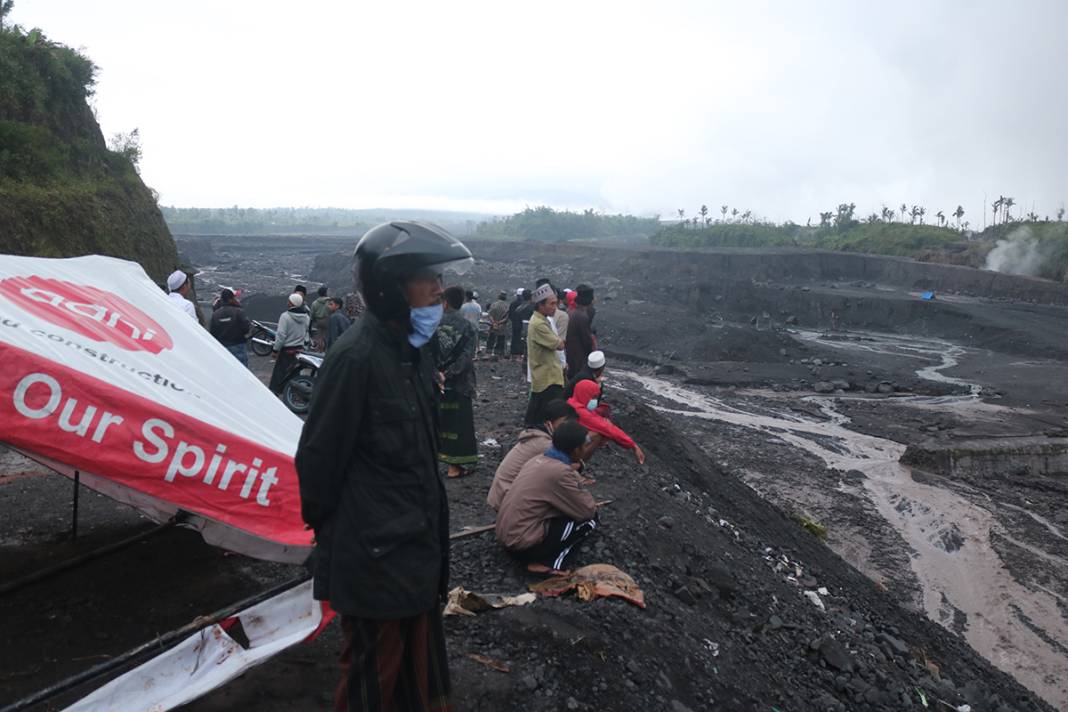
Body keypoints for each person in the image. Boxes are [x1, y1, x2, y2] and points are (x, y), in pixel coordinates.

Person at [295, 221, 471, 712]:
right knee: (373, 684)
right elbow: (317, 461)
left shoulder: (413, 352)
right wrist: (341, 534)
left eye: (439, 279)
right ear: (391, 289)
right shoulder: (355, 359)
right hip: (374, 558)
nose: (439, 289)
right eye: (427, 280)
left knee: (417, 681)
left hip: (415, 552)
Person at [495, 420, 598, 574]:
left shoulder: (537, 460)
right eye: (584, 447)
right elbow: (587, 509)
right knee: (589, 521)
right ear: (576, 450)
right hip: (522, 546)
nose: (585, 451)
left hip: (506, 539)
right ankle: (550, 563)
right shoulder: (560, 472)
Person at [487, 399, 576, 511]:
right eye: (563, 424)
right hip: (506, 498)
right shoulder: (544, 444)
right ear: (549, 423)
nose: (566, 429)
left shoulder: (537, 435)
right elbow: (563, 470)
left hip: (501, 493)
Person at [433, 286, 478, 478]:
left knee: (437, 422)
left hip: (436, 383)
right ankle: (455, 467)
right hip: (460, 384)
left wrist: (438, 374)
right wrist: (450, 373)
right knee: (460, 425)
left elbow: (427, 353)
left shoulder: (433, 324)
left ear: (445, 302)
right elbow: (466, 358)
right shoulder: (467, 327)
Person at [568, 379, 646, 464]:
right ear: (584, 394)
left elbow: (599, 420)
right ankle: (576, 465)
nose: (595, 401)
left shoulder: (573, 403)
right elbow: (606, 427)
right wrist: (633, 445)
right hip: (566, 444)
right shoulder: (580, 411)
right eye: (593, 397)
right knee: (597, 435)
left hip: (565, 439)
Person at [525, 283, 566, 426]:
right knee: (550, 415)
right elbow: (560, 345)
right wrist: (560, 340)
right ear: (540, 305)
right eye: (552, 304)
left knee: (537, 411)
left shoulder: (541, 320)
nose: (555, 307)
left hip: (545, 375)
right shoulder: (539, 325)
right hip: (547, 377)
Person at [268, 293, 311, 394]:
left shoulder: (285, 316)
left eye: (289, 301)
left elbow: (281, 336)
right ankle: (293, 393)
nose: (287, 302)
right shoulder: (306, 317)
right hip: (299, 350)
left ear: (292, 303)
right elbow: (306, 333)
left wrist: (275, 350)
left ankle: (276, 394)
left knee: (279, 375)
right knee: (294, 373)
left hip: (286, 350)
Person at [209, 288, 251, 366]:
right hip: (238, 345)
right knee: (241, 371)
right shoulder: (239, 311)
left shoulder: (216, 314)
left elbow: (212, 332)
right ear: (231, 299)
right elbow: (246, 328)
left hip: (222, 347)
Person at [565, 284, 597, 377]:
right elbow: (586, 340)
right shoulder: (582, 316)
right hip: (578, 357)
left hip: (570, 353)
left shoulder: (571, 312)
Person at [510, 288, 533, 362]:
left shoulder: (516, 306)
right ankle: (522, 356)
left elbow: (510, 315)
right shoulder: (532, 306)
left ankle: (514, 355)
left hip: (516, 326)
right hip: (526, 328)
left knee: (515, 339)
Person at [486, 291, 511, 357]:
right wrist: (499, 323)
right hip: (502, 326)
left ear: (498, 297)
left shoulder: (493, 304)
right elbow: (507, 318)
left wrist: (494, 323)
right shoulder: (507, 306)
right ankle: (499, 354)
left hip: (493, 325)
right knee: (501, 340)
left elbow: (490, 315)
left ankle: (488, 353)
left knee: (491, 339)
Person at [310, 286, 332, 351]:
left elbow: (312, 314)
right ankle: (326, 348)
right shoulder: (329, 302)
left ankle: (320, 348)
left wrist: (313, 320)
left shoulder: (315, 303)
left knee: (319, 335)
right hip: (327, 319)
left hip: (318, 321)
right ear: (325, 293)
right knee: (326, 334)